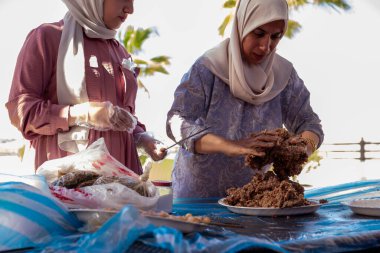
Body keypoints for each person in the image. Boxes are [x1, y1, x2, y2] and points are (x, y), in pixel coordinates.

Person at [166, 0, 324, 198]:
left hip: (252, 201)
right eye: (258, 33)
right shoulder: (207, 68)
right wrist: (231, 146)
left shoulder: (284, 75)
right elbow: (176, 122)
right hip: (197, 199)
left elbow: (309, 124)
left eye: (275, 37)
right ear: (242, 25)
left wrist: (300, 149)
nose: (266, 46)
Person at [6, 0, 166, 174]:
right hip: (67, 179)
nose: (130, 9)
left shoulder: (120, 52)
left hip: (120, 181)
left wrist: (142, 138)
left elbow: (122, 116)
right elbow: (23, 112)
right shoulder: (47, 37)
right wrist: (83, 114)